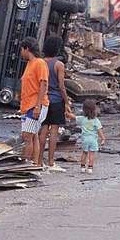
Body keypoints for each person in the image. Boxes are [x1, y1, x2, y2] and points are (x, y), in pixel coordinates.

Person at [37, 35, 72, 171]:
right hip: (57, 100)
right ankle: (51, 163)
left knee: (43, 129)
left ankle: (39, 161)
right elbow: (61, 86)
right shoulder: (59, 65)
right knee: (54, 131)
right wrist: (67, 102)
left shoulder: (41, 63)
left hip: (44, 100)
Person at [18, 37, 50, 164]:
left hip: (35, 105)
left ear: (27, 49)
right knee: (33, 135)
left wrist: (38, 106)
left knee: (27, 136)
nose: (21, 53)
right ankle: (35, 164)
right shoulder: (30, 64)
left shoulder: (39, 63)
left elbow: (43, 84)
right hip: (28, 105)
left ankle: (26, 164)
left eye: (22, 50)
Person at [66, 99, 106, 174]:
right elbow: (99, 130)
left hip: (85, 139)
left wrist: (67, 112)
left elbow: (73, 117)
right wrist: (103, 138)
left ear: (84, 110)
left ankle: (82, 167)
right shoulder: (96, 120)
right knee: (92, 154)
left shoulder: (82, 119)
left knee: (84, 153)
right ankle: (90, 167)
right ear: (94, 110)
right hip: (93, 140)